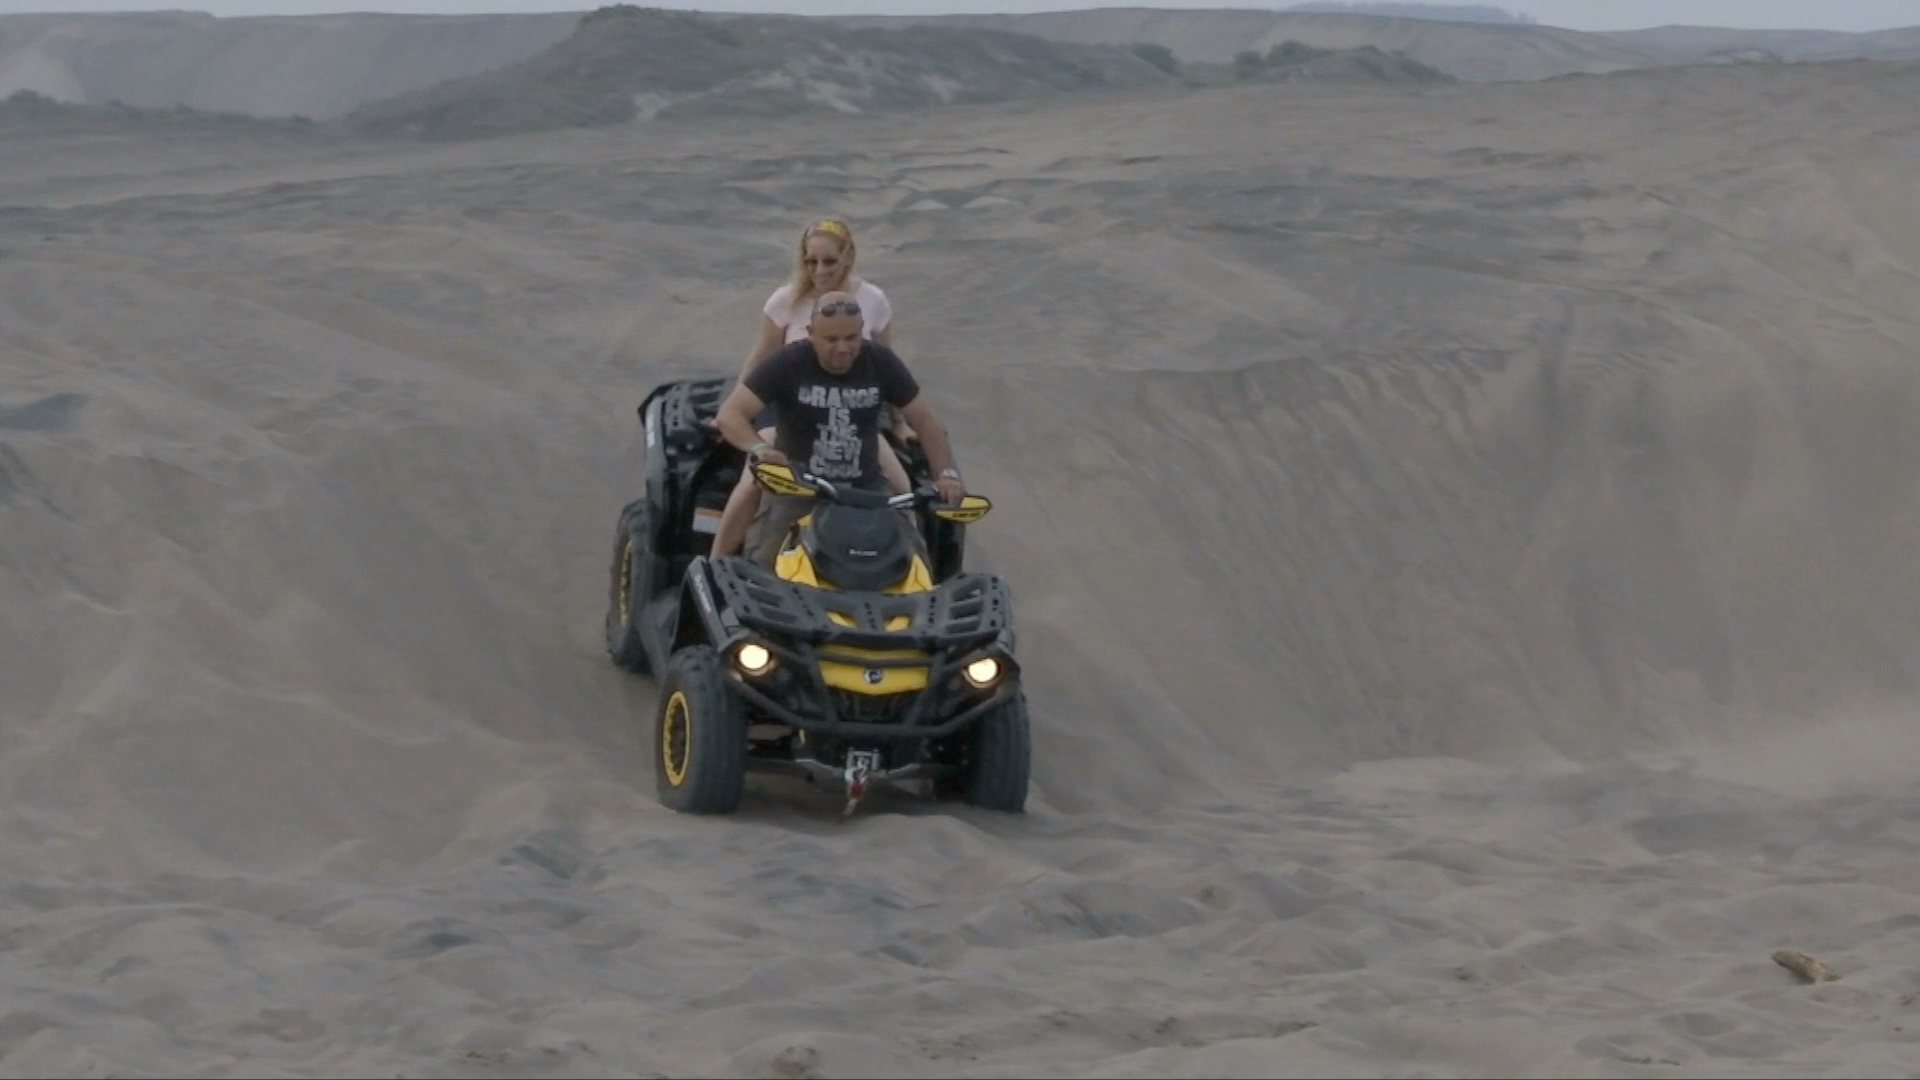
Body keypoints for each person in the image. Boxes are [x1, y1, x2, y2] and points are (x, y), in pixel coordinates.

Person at [711, 217, 918, 558]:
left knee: (900, 485)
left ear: (848, 256)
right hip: (790, 414)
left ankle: (912, 564)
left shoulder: (873, 300)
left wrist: (899, 422)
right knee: (753, 481)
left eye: (829, 261)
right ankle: (714, 562)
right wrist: (733, 413)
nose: (819, 271)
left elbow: (889, 367)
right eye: (811, 261)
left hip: (853, 415)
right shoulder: (785, 301)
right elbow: (760, 358)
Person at [713, 290, 966, 568]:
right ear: (811, 333)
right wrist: (760, 448)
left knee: (911, 566)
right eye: (831, 339)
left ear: (862, 331)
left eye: (851, 338)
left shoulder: (880, 361)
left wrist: (946, 475)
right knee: (765, 566)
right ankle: (715, 565)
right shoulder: (789, 362)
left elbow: (925, 421)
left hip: (866, 489)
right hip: (798, 487)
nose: (843, 348)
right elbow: (731, 415)